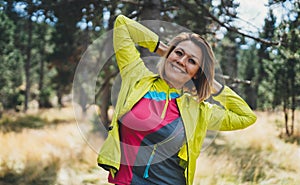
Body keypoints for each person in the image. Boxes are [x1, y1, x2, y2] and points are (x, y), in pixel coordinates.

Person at [97, 14, 257, 185]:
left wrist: (211, 83)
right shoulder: (137, 77)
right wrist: (162, 49)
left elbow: (246, 116)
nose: (181, 61)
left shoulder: (198, 110)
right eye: (179, 53)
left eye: (191, 61)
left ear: (197, 72)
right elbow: (122, 24)